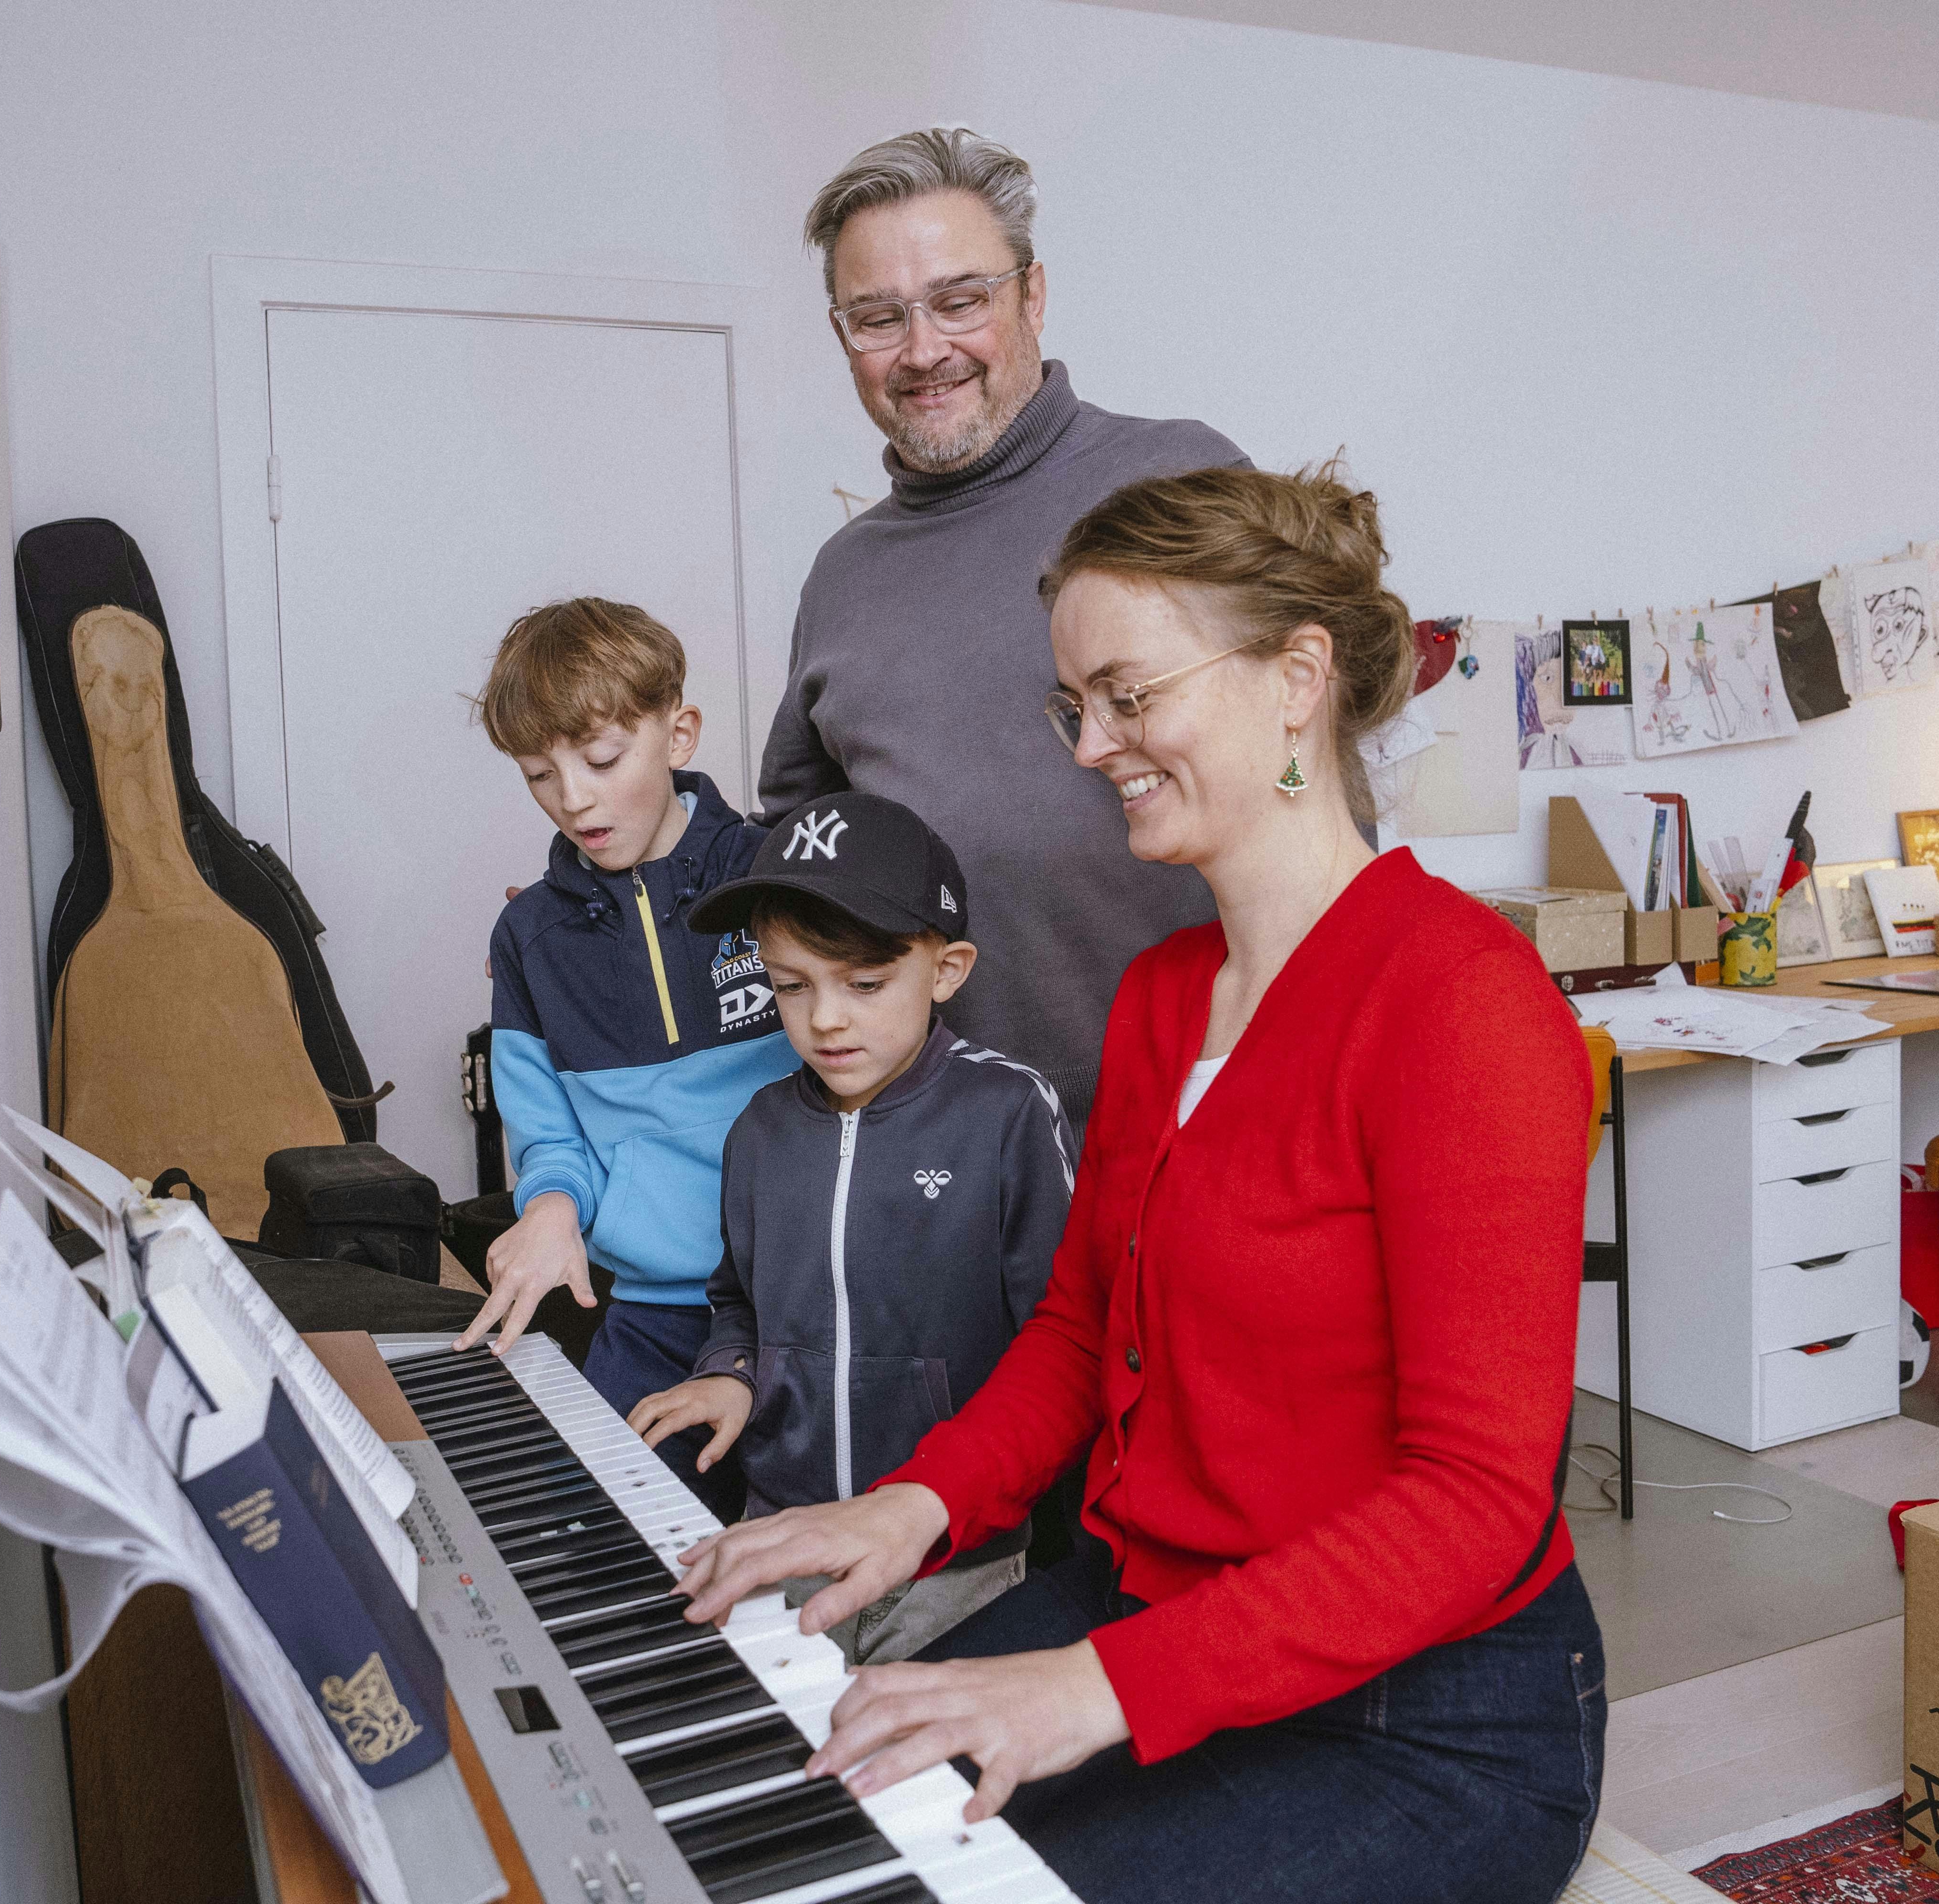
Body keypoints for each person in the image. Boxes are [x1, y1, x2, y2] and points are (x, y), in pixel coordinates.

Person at [671, 465, 1603, 1904]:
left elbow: (1476, 1502)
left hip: (1421, 1720)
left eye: (1128, 696)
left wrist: (1089, 1690)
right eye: (1075, 708)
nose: (1092, 745)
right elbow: (1078, 1325)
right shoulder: (1167, 993)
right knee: (794, 1824)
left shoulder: (1463, 1005)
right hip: (1147, 1612)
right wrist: (909, 1512)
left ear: (1296, 680)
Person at [760, 126, 1251, 1130]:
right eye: (878, 318)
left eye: (959, 299)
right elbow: (797, 855)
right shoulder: (841, 577)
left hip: (1207, 1128)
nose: (923, 350)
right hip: (950, 1169)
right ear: (840, 335)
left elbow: (1318, 781)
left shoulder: (1182, 484)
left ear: (1031, 296)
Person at [625, 792, 1075, 1664]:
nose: (825, 1018)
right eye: (790, 986)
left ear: (946, 970)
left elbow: (1063, 1339)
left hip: (954, 1565)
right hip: (782, 1537)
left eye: (864, 984)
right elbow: (739, 1306)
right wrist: (733, 1376)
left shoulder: (1009, 1110)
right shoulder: (759, 1130)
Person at [461, 599, 800, 1514]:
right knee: (605, 1537)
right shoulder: (530, 938)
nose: (574, 798)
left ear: (679, 732)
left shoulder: (782, 875)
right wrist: (552, 1211)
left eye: (603, 760)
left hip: (807, 1299)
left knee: (806, 1561)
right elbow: (549, 1137)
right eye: (540, 775)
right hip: (651, 1313)